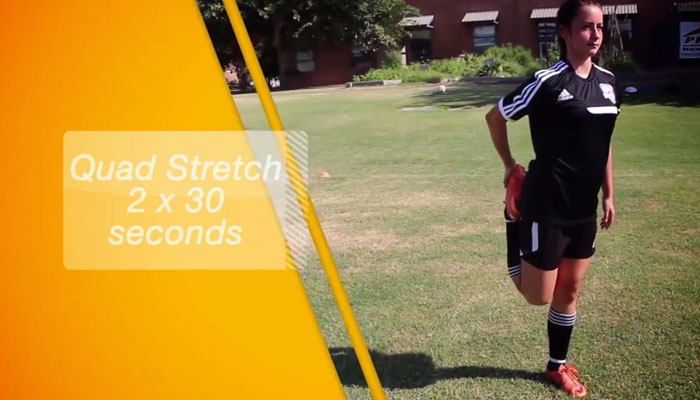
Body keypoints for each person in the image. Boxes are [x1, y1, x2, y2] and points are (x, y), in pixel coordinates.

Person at [484, 0, 620, 397]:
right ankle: (514, 219)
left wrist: (609, 194)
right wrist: (510, 165)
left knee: (570, 292)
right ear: (563, 32)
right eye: (585, 27)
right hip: (546, 204)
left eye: (599, 27)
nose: (595, 35)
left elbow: (605, 142)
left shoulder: (609, 81)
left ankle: (556, 367)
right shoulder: (547, 82)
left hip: (584, 209)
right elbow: (496, 115)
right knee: (536, 296)